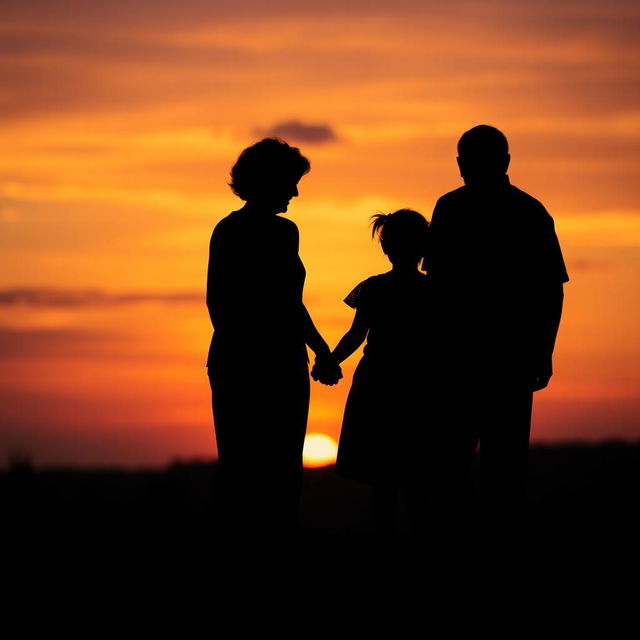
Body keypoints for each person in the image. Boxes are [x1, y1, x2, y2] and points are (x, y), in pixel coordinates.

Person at [427, 124, 569, 531]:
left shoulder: (451, 208)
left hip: (471, 358)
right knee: (498, 467)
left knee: (461, 465)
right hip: (499, 357)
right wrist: (543, 350)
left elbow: (435, 286)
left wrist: (543, 351)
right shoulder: (529, 210)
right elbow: (551, 292)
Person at [206, 138, 341, 538]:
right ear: (268, 181)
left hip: (255, 359)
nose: (295, 192)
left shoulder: (249, 230)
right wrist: (320, 351)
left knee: (257, 470)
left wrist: (318, 350)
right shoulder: (266, 233)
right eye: (290, 182)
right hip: (261, 362)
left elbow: (283, 303)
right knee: (258, 471)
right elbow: (277, 303)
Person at [313, 209, 432, 535]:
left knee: (386, 478)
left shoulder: (374, 288)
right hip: (419, 386)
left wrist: (329, 359)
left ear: (385, 247)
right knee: (416, 475)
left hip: (379, 383)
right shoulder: (434, 291)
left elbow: (356, 334)